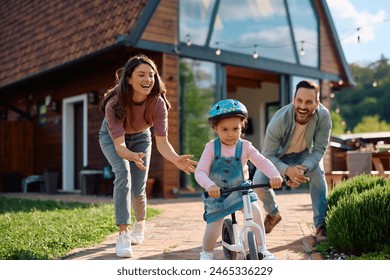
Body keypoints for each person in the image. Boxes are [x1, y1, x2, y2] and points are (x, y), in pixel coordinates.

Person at [98, 54, 197, 258]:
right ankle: (123, 235)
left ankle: (140, 224)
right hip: (113, 138)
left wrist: (176, 158)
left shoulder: (157, 104)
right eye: (141, 74)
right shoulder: (114, 104)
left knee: (138, 188)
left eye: (151, 75)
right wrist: (131, 156)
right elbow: (120, 147)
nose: (148, 80)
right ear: (129, 78)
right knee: (123, 174)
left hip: (142, 137)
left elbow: (162, 142)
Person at [194, 99, 283, 260]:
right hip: (218, 194)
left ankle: (262, 249)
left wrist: (274, 175)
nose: (230, 134)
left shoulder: (246, 147)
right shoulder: (211, 147)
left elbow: (262, 161)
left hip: (241, 191)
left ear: (242, 125)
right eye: (225, 129)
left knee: (255, 212)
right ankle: (206, 252)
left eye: (235, 128)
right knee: (213, 227)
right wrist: (210, 185)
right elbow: (199, 172)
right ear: (215, 128)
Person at [253, 80, 331, 243]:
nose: (303, 106)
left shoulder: (323, 117)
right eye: (299, 100)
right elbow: (267, 155)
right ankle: (273, 214)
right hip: (278, 157)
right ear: (293, 99)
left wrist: (303, 168)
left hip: (305, 155)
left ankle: (321, 225)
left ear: (317, 103)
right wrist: (287, 171)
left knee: (318, 174)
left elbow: (319, 150)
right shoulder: (279, 120)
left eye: (309, 102)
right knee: (258, 181)